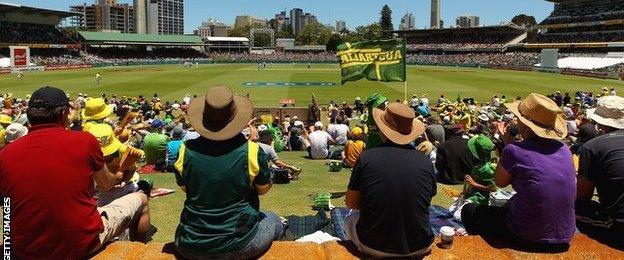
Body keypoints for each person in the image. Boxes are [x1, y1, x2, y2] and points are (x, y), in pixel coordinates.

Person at [0, 86, 150, 258]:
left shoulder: (5, 154)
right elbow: (106, 184)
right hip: (81, 244)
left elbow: (7, 205)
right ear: (64, 113)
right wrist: (117, 177)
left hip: (25, 250)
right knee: (141, 199)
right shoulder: (85, 141)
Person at [173, 86, 283, 259]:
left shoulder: (185, 150)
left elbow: (187, 189)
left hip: (189, 243)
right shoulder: (252, 151)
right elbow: (263, 190)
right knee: (274, 220)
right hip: (238, 244)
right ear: (237, 119)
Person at [462, 93, 576, 252]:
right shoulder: (564, 150)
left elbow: (500, 182)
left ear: (525, 124)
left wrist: (507, 146)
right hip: (564, 235)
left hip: (526, 236)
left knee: (469, 210)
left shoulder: (514, 150)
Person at [345, 102, 435, 258]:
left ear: (382, 130)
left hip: (373, 246)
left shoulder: (367, 158)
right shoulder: (425, 161)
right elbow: (425, 200)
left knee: (349, 218)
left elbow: (351, 203)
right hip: (420, 245)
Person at [577, 96, 624, 246]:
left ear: (599, 122)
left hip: (617, 225)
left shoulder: (592, 146)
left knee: (567, 209)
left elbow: (582, 196)